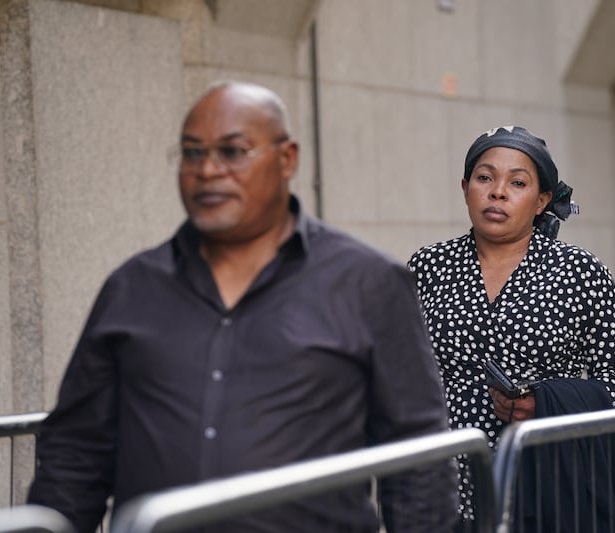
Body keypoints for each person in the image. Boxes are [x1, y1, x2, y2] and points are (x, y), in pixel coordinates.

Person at [27, 81, 457, 533]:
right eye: (192, 153)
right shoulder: (131, 288)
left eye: (232, 152)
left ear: (287, 158)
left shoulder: (368, 283)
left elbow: (418, 455)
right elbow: (75, 453)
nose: (208, 170)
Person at [407, 125, 615, 532]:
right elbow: (399, 370)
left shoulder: (580, 272)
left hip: (546, 479)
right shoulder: (427, 266)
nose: (498, 192)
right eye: (485, 177)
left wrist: (544, 401)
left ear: (541, 201)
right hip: (442, 481)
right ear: (465, 188)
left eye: (517, 182)